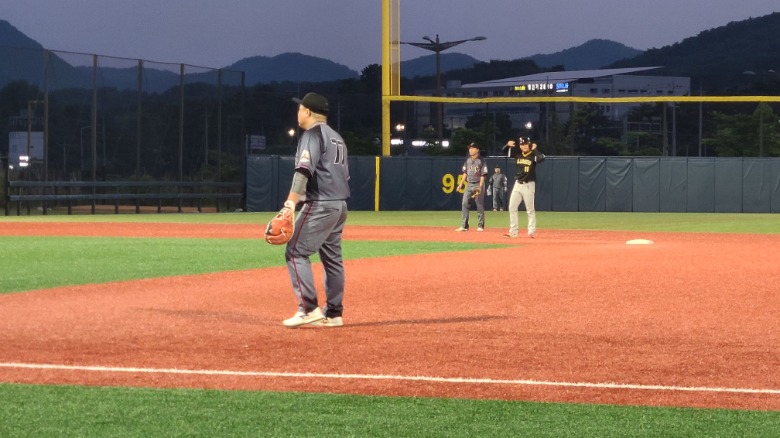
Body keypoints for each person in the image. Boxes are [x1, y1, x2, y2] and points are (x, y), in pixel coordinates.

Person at [281, 92, 350, 328]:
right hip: (339, 205)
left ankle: (308, 309)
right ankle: (334, 314)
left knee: (295, 252)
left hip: (321, 204)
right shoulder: (337, 137)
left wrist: (290, 204)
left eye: (300, 108)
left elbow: (303, 171)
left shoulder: (312, 134)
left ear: (308, 112)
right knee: (333, 260)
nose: (298, 112)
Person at [502, 137, 544, 238]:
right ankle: (513, 231)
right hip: (517, 184)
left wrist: (535, 149)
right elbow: (504, 152)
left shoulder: (533, 154)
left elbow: (541, 159)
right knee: (512, 207)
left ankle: (531, 231)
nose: (524, 146)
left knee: (530, 209)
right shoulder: (518, 154)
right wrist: (507, 145)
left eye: (525, 144)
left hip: (528, 185)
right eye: (522, 144)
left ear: (529, 144)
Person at [455, 142, 488, 231]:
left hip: (478, 183)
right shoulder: (468, 160)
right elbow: (465, 173)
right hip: (469, 184)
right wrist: (461, 184)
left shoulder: (481, 160)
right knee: (464, 203)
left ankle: (480, 226)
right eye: (470, 148)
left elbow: (483, 175)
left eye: (473, 148)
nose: (470, 150)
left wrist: (480, 186)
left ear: (477, 150)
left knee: (479, 205)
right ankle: (464, 226)